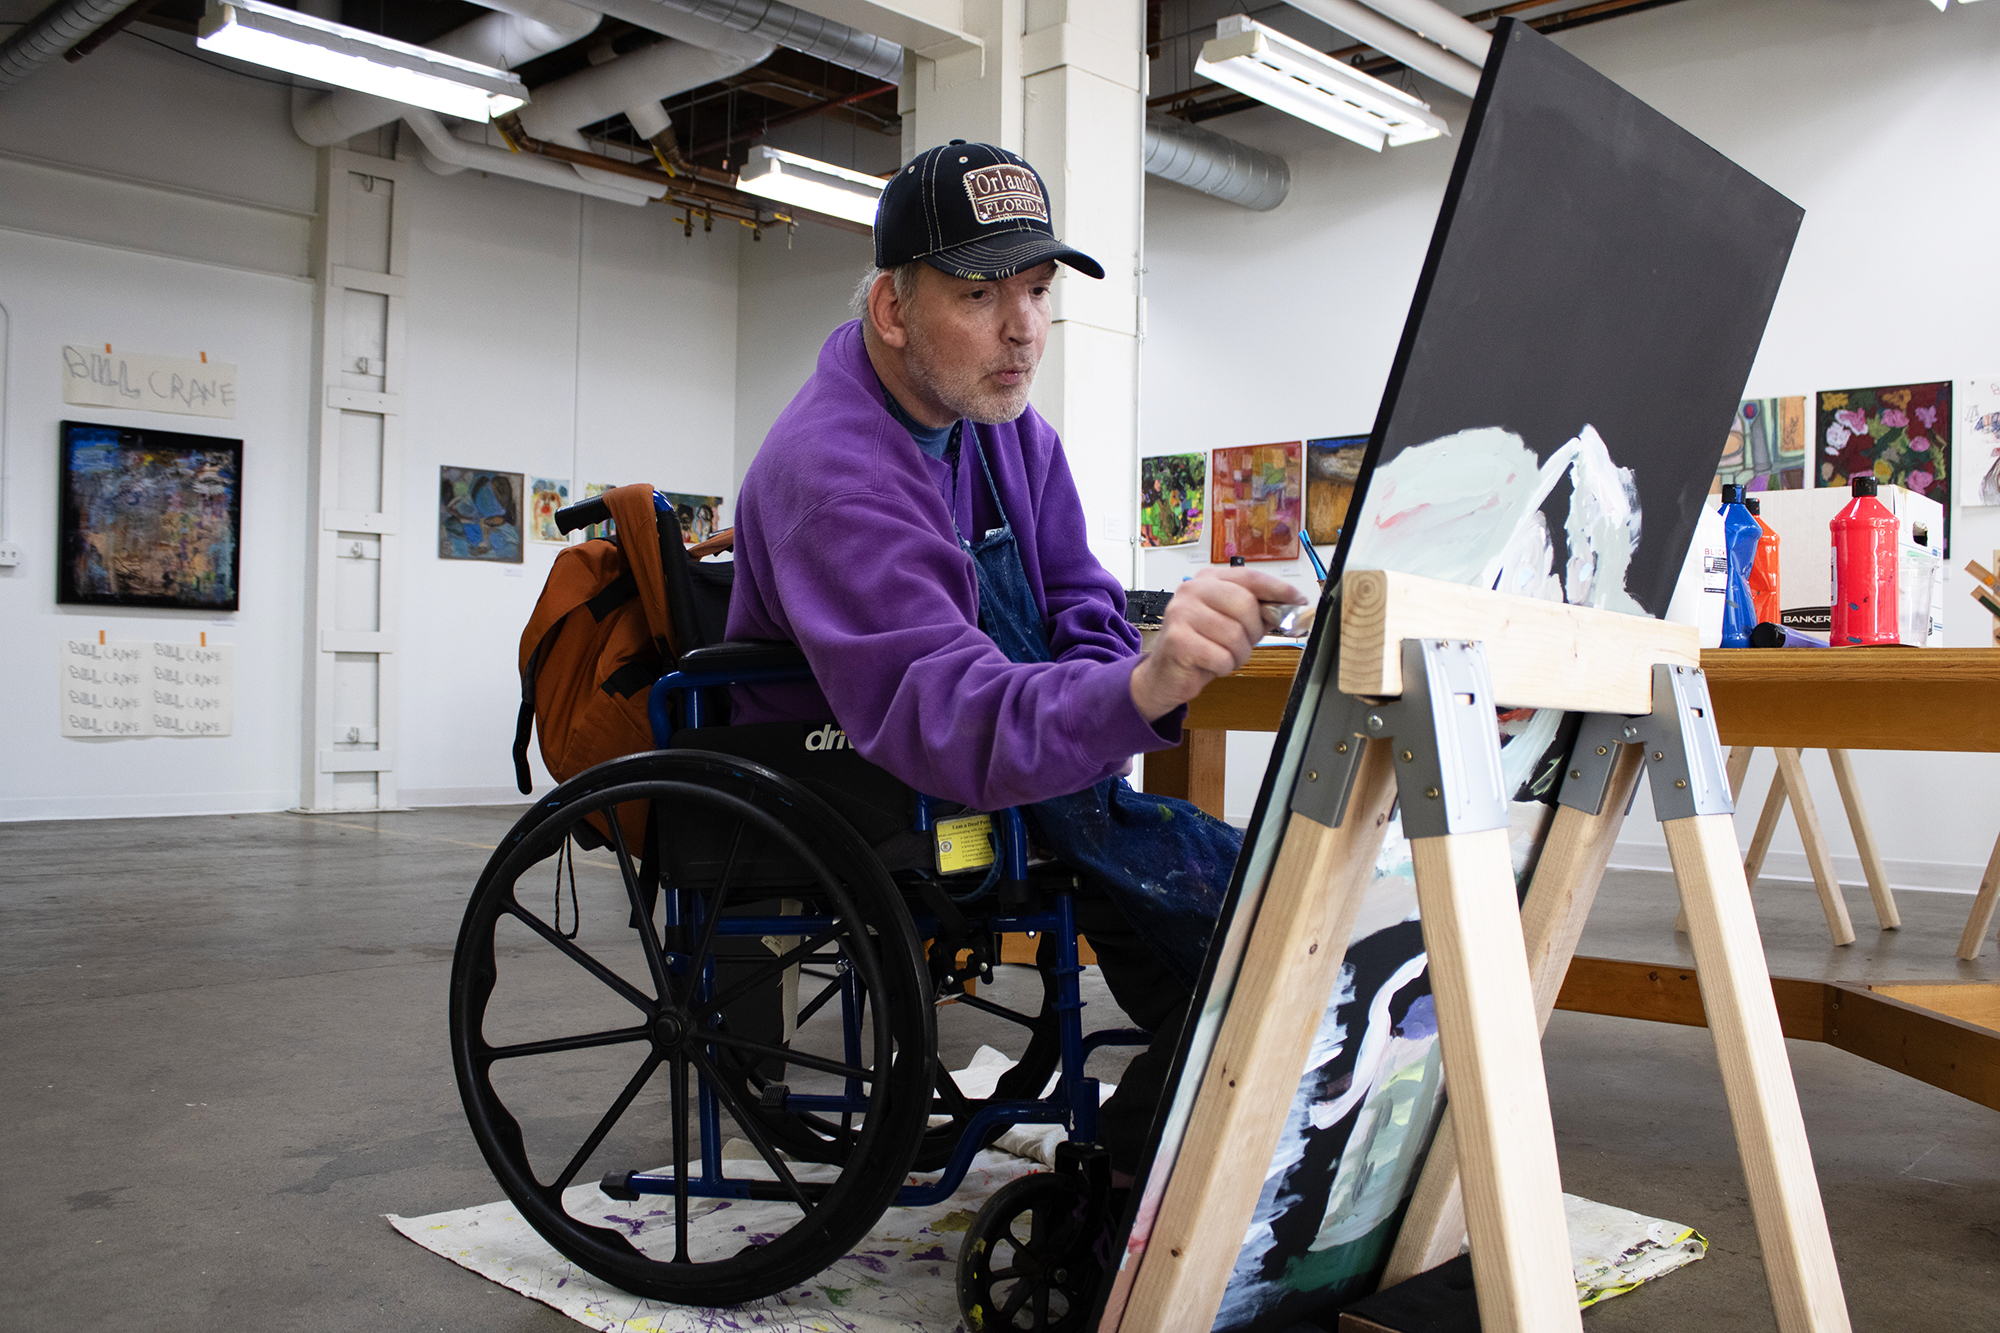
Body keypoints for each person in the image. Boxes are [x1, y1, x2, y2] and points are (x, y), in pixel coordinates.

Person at [727, 140, 1303, 1176]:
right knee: (1251, 927)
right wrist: (1135, 689)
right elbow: (940, 704)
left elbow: (1078, 598)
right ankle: (1132, 1192)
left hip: (1021, 775)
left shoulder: (1008, 433)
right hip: (865, 779)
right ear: (893, 309)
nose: (1023, 330)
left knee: (1262, 911)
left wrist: (1109, 683)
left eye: (1036, 290)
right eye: (981, 293)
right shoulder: (831, 474)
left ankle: (1206, 1126)